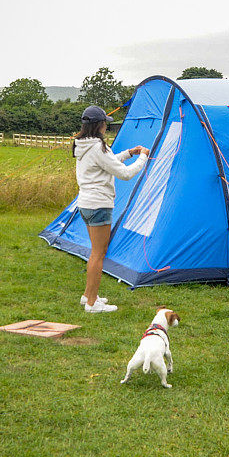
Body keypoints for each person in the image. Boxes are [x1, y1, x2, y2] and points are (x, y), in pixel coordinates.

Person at [73, 105, 149, 313]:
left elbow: (107, 163)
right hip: (99, 205)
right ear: (100, 125)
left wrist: (128, 153)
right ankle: (91, 305)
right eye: (105, 123)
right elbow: (124, 174)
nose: (107, 126)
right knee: (99, 254)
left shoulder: (82, 144)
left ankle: (89, 296)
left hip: (86, 204)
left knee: (95, 253)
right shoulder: (98, 147)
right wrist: (143, 157)